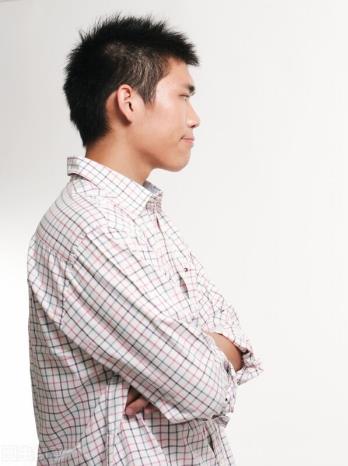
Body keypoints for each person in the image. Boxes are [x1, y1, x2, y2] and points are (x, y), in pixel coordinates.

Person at [26, 14, 262, 464]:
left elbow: (231, 329)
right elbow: (205, 387)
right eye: (183, 96)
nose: (195, 118)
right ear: (128, 102)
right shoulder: (92, 229)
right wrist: (193, 365)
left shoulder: (137, 213)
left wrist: (194, 359)